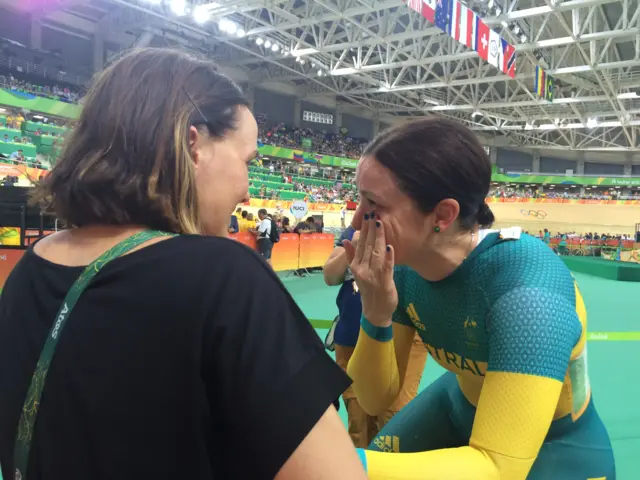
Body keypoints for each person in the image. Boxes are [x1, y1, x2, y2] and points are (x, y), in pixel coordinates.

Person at [0, 48, 366, 480]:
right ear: (193, 144)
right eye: (246, 161)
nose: (247, 190)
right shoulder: (224, 276)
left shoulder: (29, 271)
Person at [343, 118, 615, 479]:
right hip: (459, 405)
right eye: (359, 198)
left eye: (373, 203)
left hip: (556, 446)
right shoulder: (407, 269)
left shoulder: (528, 293)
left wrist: (327, 465)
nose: (358, 219)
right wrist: (375, 314)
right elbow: (374, 400)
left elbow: (497, 468)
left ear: (442, 215)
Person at [323, 226, 426, 448]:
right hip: (350, 337)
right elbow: (330, 276)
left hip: (401, 342)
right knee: (358, 422)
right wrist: (354, 246)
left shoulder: (415, 224)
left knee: (393, 424)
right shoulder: (355, 230)